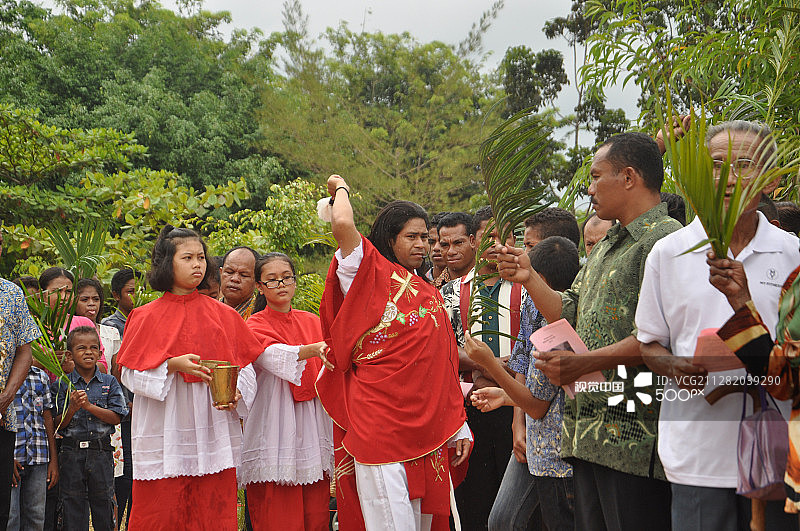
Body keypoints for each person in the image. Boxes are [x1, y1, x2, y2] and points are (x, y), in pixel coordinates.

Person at [496, 132, 680, 531]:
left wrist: (581, 364)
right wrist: (528, 277)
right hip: (588, 430)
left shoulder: (664, 241)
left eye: (597, 177)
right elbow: (569, 311)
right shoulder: (609, 242)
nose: (590, 188)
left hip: (634, 434)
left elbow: (656, 338)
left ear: (628, 177)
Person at [637, 120, 800, 530]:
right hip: (696, 455)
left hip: (780, 454)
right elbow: (649, 344)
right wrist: (674, 366)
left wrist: (744, 307)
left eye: (743, 165)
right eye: (715, 164)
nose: (726, 177)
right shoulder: (669, 253)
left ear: (771, 179)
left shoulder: (792, 254)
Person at [317, 175, 470, 531]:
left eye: (425, 238)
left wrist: (457, 424)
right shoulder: (365, 270)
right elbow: (343, 224)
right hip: (379, 422)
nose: (422, 245)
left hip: (428, 427)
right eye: (411, 237)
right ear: (390, 238)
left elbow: (442, 362)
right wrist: (341, 187)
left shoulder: (427, 288)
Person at [115, 225, 265, 530]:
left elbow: (246, 367)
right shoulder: (143, 316)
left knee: (211, 512)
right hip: (164, 427)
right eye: (187, 258)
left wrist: (238, 392)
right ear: (166, 263)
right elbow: (129, 374)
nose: (197, 264)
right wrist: (171, 365)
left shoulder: (225, 315)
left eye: (200, 257)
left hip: (211, 429)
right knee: (160, 513)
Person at [468, 236, 580, 531]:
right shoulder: (545, 313)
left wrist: (489, 362)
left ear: (540, 279)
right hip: (545, 452)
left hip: (556, 459)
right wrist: (507, 399)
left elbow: (537, 405)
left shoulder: (554, 331)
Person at [240, 253, 334, 530]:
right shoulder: (254, 324)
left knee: (315, 512)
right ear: (260, 287)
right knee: (277, 511)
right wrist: (312, 349)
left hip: (312, 422)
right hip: (274, 424)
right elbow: (272, 356)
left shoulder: (313, 321)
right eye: (272, 280)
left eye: (286, 278)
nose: (281, 284)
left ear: (294, 281)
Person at [442, 206, 520, 531]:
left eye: (507, 237)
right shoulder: (449, 293)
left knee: (515, 503)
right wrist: (487, 363)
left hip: (518, 406)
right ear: (474, 241)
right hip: (468, 407)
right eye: (490, 236)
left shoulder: (528, 289)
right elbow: (442, 351)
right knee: (473, 498)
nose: (498, 245)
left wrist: (504, 369)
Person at [51, 326, 127, 531]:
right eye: (81, 348)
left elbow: (117, 417)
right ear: (69, 355)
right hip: (71, 453)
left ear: (101, 353)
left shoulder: (109, 382)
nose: (88, 352)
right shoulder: (62, 384)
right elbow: (57, 424)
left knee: (104, 506)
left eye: (93, 348)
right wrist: (72, 408)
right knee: (72, 508)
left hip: (101, 452)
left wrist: (88, 407)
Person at [0, 228, 41, 530]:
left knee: (2, 509)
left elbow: (25, 351)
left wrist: (7, 395)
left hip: (4, 418)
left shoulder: (11, 294)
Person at [101, 267, 139, 528]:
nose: (135, 297)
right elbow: (116, 372)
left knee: (138, 475)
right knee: (124, 475)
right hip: (123, 409)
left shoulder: (144, 320)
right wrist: (125, 402)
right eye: (130, 292)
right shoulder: (111, 327)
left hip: (143, 407)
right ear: (116, 295)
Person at [8, 363, 58, 531]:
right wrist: (5, 457)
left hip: (39, 456)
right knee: (11, 517)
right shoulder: (3, 376)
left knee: (36, 515)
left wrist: (53, 460)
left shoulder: (41, 376)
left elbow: (47, 416)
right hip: (12, 457)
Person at [36, 268, 108, 375]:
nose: (64, 297)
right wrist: (45, 359)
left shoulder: (84, 323)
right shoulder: (32, 325)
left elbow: (103, 367)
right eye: (57, 291)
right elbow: (18, 364)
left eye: (68, 292)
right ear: (42, 294)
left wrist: (73, 367)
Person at [75, 278, 120, 370]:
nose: (91, 304)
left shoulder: (111, 333)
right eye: (84, 300)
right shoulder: (65, 332)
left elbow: (116, 372)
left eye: (96, 299)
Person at [437, 212, 477, 286]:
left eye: (458, 243)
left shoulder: (491, 283)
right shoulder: (431, 290)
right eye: (445, 245)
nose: (451, 252)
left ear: (472, 241)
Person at [220, 247, 260, 319]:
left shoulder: (259, 315)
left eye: (244, 275)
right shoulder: (208, 309)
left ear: (256, 281)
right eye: (229, 272)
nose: (235, 279)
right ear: (221, 273)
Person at [426, 212, 450, 285]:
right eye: (431, 242)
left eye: (443, 243)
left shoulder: (470, 285)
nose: (436, 248)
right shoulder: (417, 282)